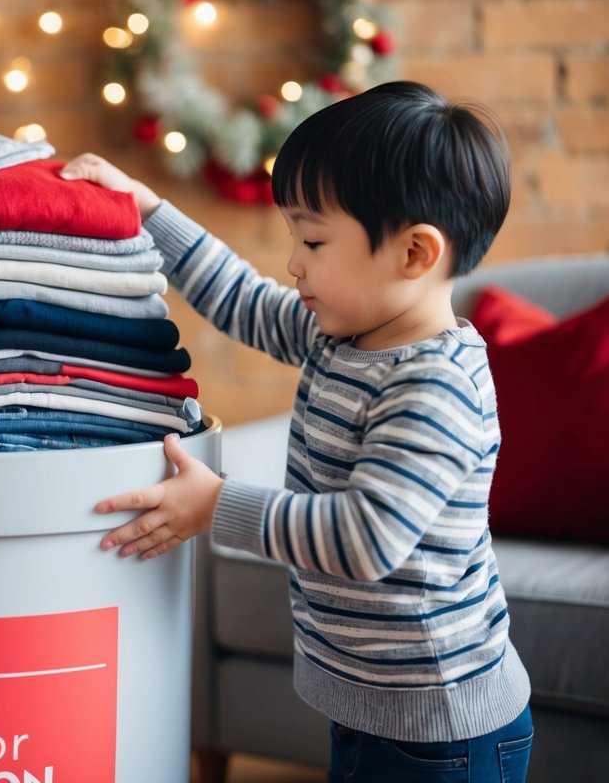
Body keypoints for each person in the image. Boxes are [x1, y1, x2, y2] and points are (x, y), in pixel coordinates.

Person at [60, 81, 533, 782]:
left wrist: (215, 506)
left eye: (311, 239)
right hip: (374, 708)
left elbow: (365, 538)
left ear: (413, 254)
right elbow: (240, 298)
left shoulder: (436, 385)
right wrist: (147, 207)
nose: (293, 263)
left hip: (441, 733)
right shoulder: (337, 335)